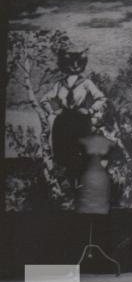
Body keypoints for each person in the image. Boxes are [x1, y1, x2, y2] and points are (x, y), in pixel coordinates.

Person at [43, 50, 107, 185]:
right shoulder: (59, 84)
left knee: (81, 153)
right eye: (71, 63)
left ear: (82, 64)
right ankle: (68, 185)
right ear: (65, 65)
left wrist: (90, 110)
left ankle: (82, 184)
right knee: (64, 153)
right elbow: (44, 100)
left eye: (78, 63)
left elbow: (101, 98)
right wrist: (54, 111)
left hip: (80, 121)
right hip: (63, 122)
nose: (75, 66)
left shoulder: (86, 83)